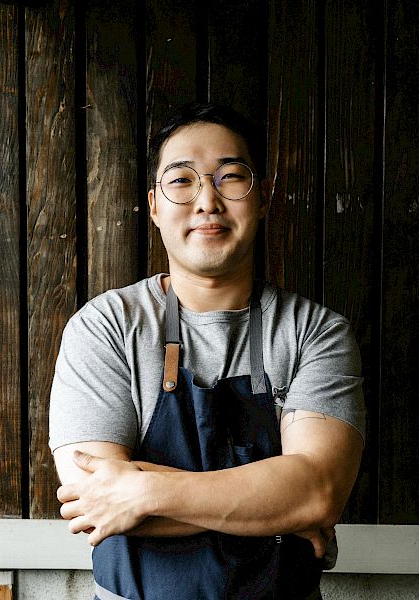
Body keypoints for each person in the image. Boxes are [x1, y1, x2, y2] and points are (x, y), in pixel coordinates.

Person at [50, 103, 365, 600]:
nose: (207, 201)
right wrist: (275, 504)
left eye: (231, 176)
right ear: (154, 206)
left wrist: (143, 490)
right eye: (182, 180)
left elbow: (317, 493)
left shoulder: (314, 332)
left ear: (262, 200)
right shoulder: (106, 326)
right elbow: (93, 502)